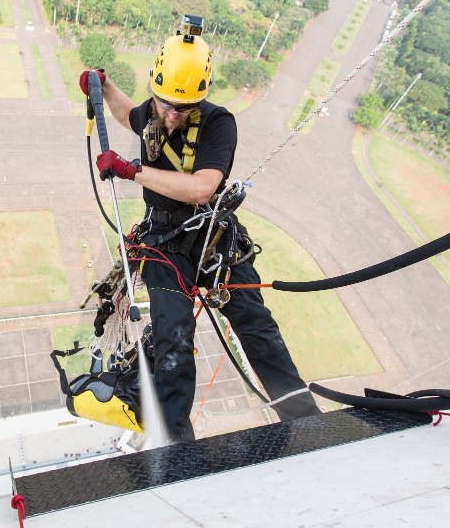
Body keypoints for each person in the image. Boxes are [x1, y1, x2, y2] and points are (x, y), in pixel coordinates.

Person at [79, 25, 321, 443]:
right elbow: (125, 114)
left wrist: (131, 170)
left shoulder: (216, 123)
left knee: (257, 328)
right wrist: (103, 84)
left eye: (182, 107)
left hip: (212, 240)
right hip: (164, 247)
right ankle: (177, 446)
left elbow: (202, 187)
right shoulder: (152, 115)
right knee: (172, 343)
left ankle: (307, 423)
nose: (172, 114)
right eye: (166, 104)